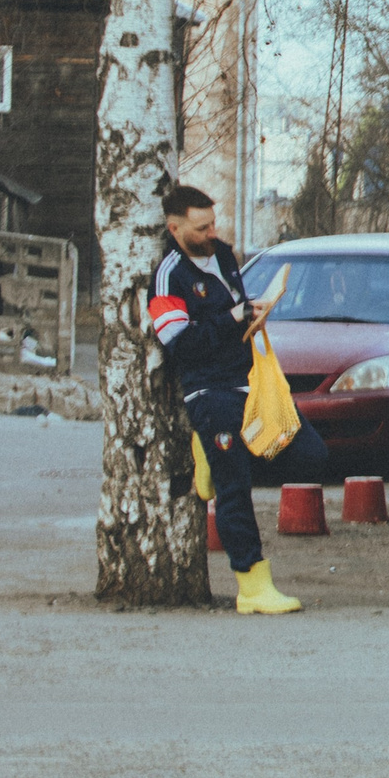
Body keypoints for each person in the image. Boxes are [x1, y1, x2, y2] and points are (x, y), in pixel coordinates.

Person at [152, 183, 328, 615]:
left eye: (214, 223)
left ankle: (213, 454)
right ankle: (252, 585)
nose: (212, 232)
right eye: (201, 227)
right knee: (234, 490)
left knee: (311, 455)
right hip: (209, 391)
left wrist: (253, 311)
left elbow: (236, 307)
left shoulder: (226, 254)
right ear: (175, 228)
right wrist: (231, 318)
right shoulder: (169, 274)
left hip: (250, 381)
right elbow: (179, 343)